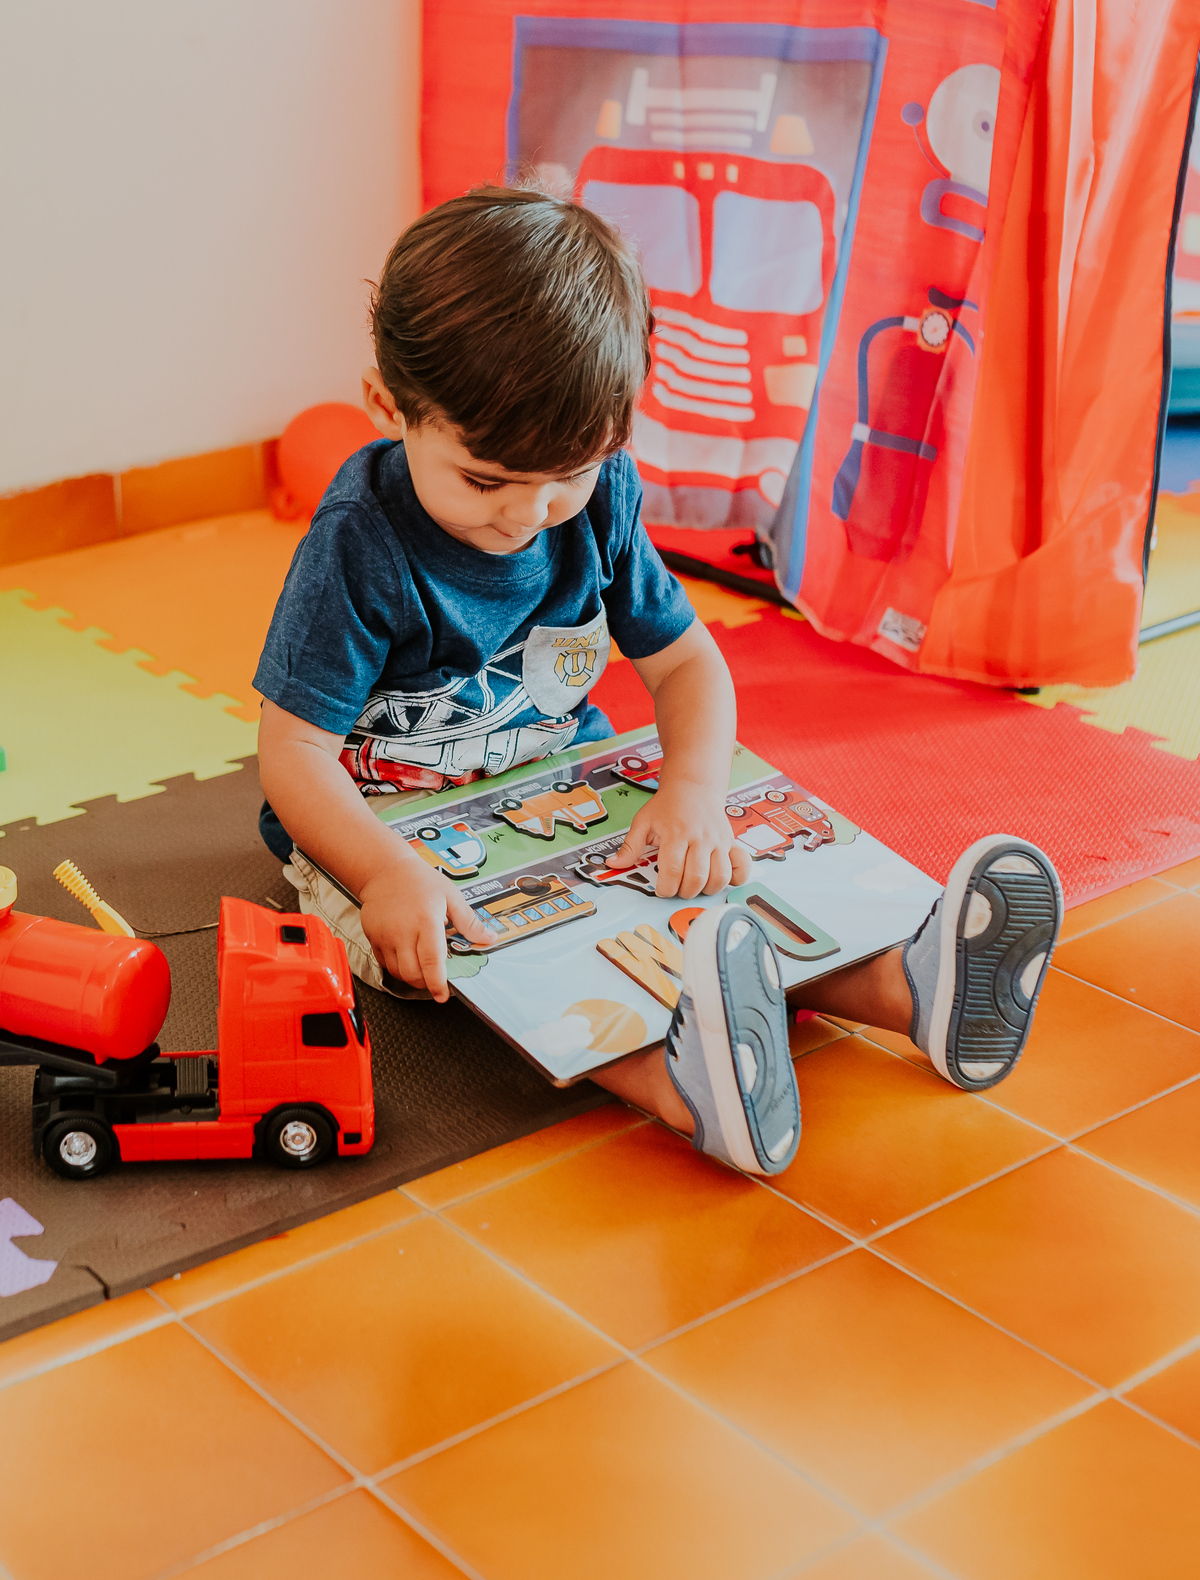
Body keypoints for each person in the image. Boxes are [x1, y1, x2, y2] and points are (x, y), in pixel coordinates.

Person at [254, 184, 1063, 1179]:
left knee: (724, 865)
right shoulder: (359, 546)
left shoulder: (595, 502)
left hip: (567, 785)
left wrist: (690, 797)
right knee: (506, 952)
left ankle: (915, 991)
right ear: (390, 407)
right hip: (387, 831)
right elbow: (293, 752)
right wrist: (383, 875)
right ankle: (684, 1090)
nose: (530, 513)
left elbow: (686, 664)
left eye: (568, 474)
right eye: (484, 480)